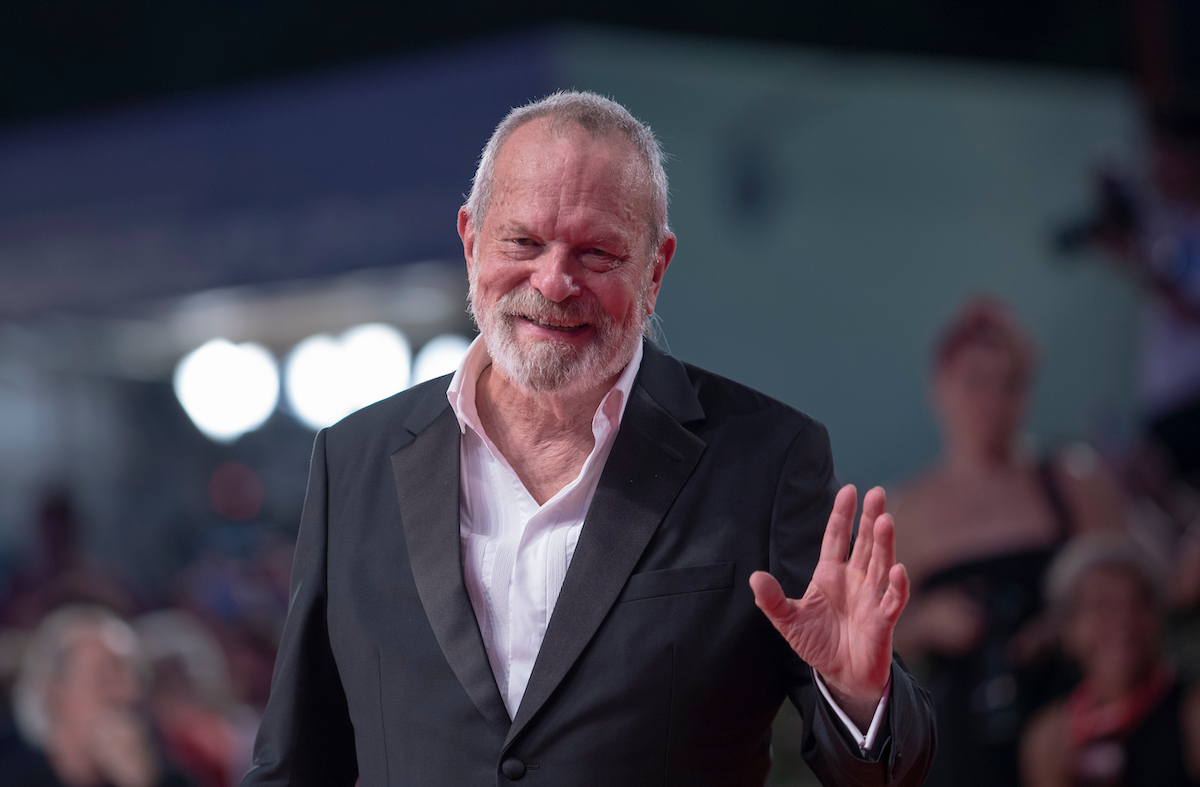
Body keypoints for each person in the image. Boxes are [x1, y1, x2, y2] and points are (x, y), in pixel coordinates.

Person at [240, 91, 935, 786]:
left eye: (596, 252)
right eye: (523, 241)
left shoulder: (765, 458)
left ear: (655, 270)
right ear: (470, 240)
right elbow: (296, 762)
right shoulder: (352, 459)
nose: (554, 280)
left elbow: (883, 774)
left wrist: (856, 695)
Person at [892, 299, 1124, 787]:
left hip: (1066, 717)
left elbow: (1128, 591)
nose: (991, 401)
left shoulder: (1068, 481)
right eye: (976, 381)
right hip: (961, 732)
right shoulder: (906, 511)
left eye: (1009, 384)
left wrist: (1061, 625)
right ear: (941, 385)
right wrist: (930, 622)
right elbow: (867, 637)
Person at [1020, 534, 1200, 787]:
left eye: (1139, 603)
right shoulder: (1049, 738)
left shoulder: (1191, 716)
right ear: (1068, 629)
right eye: (1101, 605)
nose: (1122, 622)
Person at [1, 605, 191, 787]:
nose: (129, 694)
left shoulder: (172, 777)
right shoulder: (10, 773)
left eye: (136, 679)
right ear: (55, 692)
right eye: (104, 679)